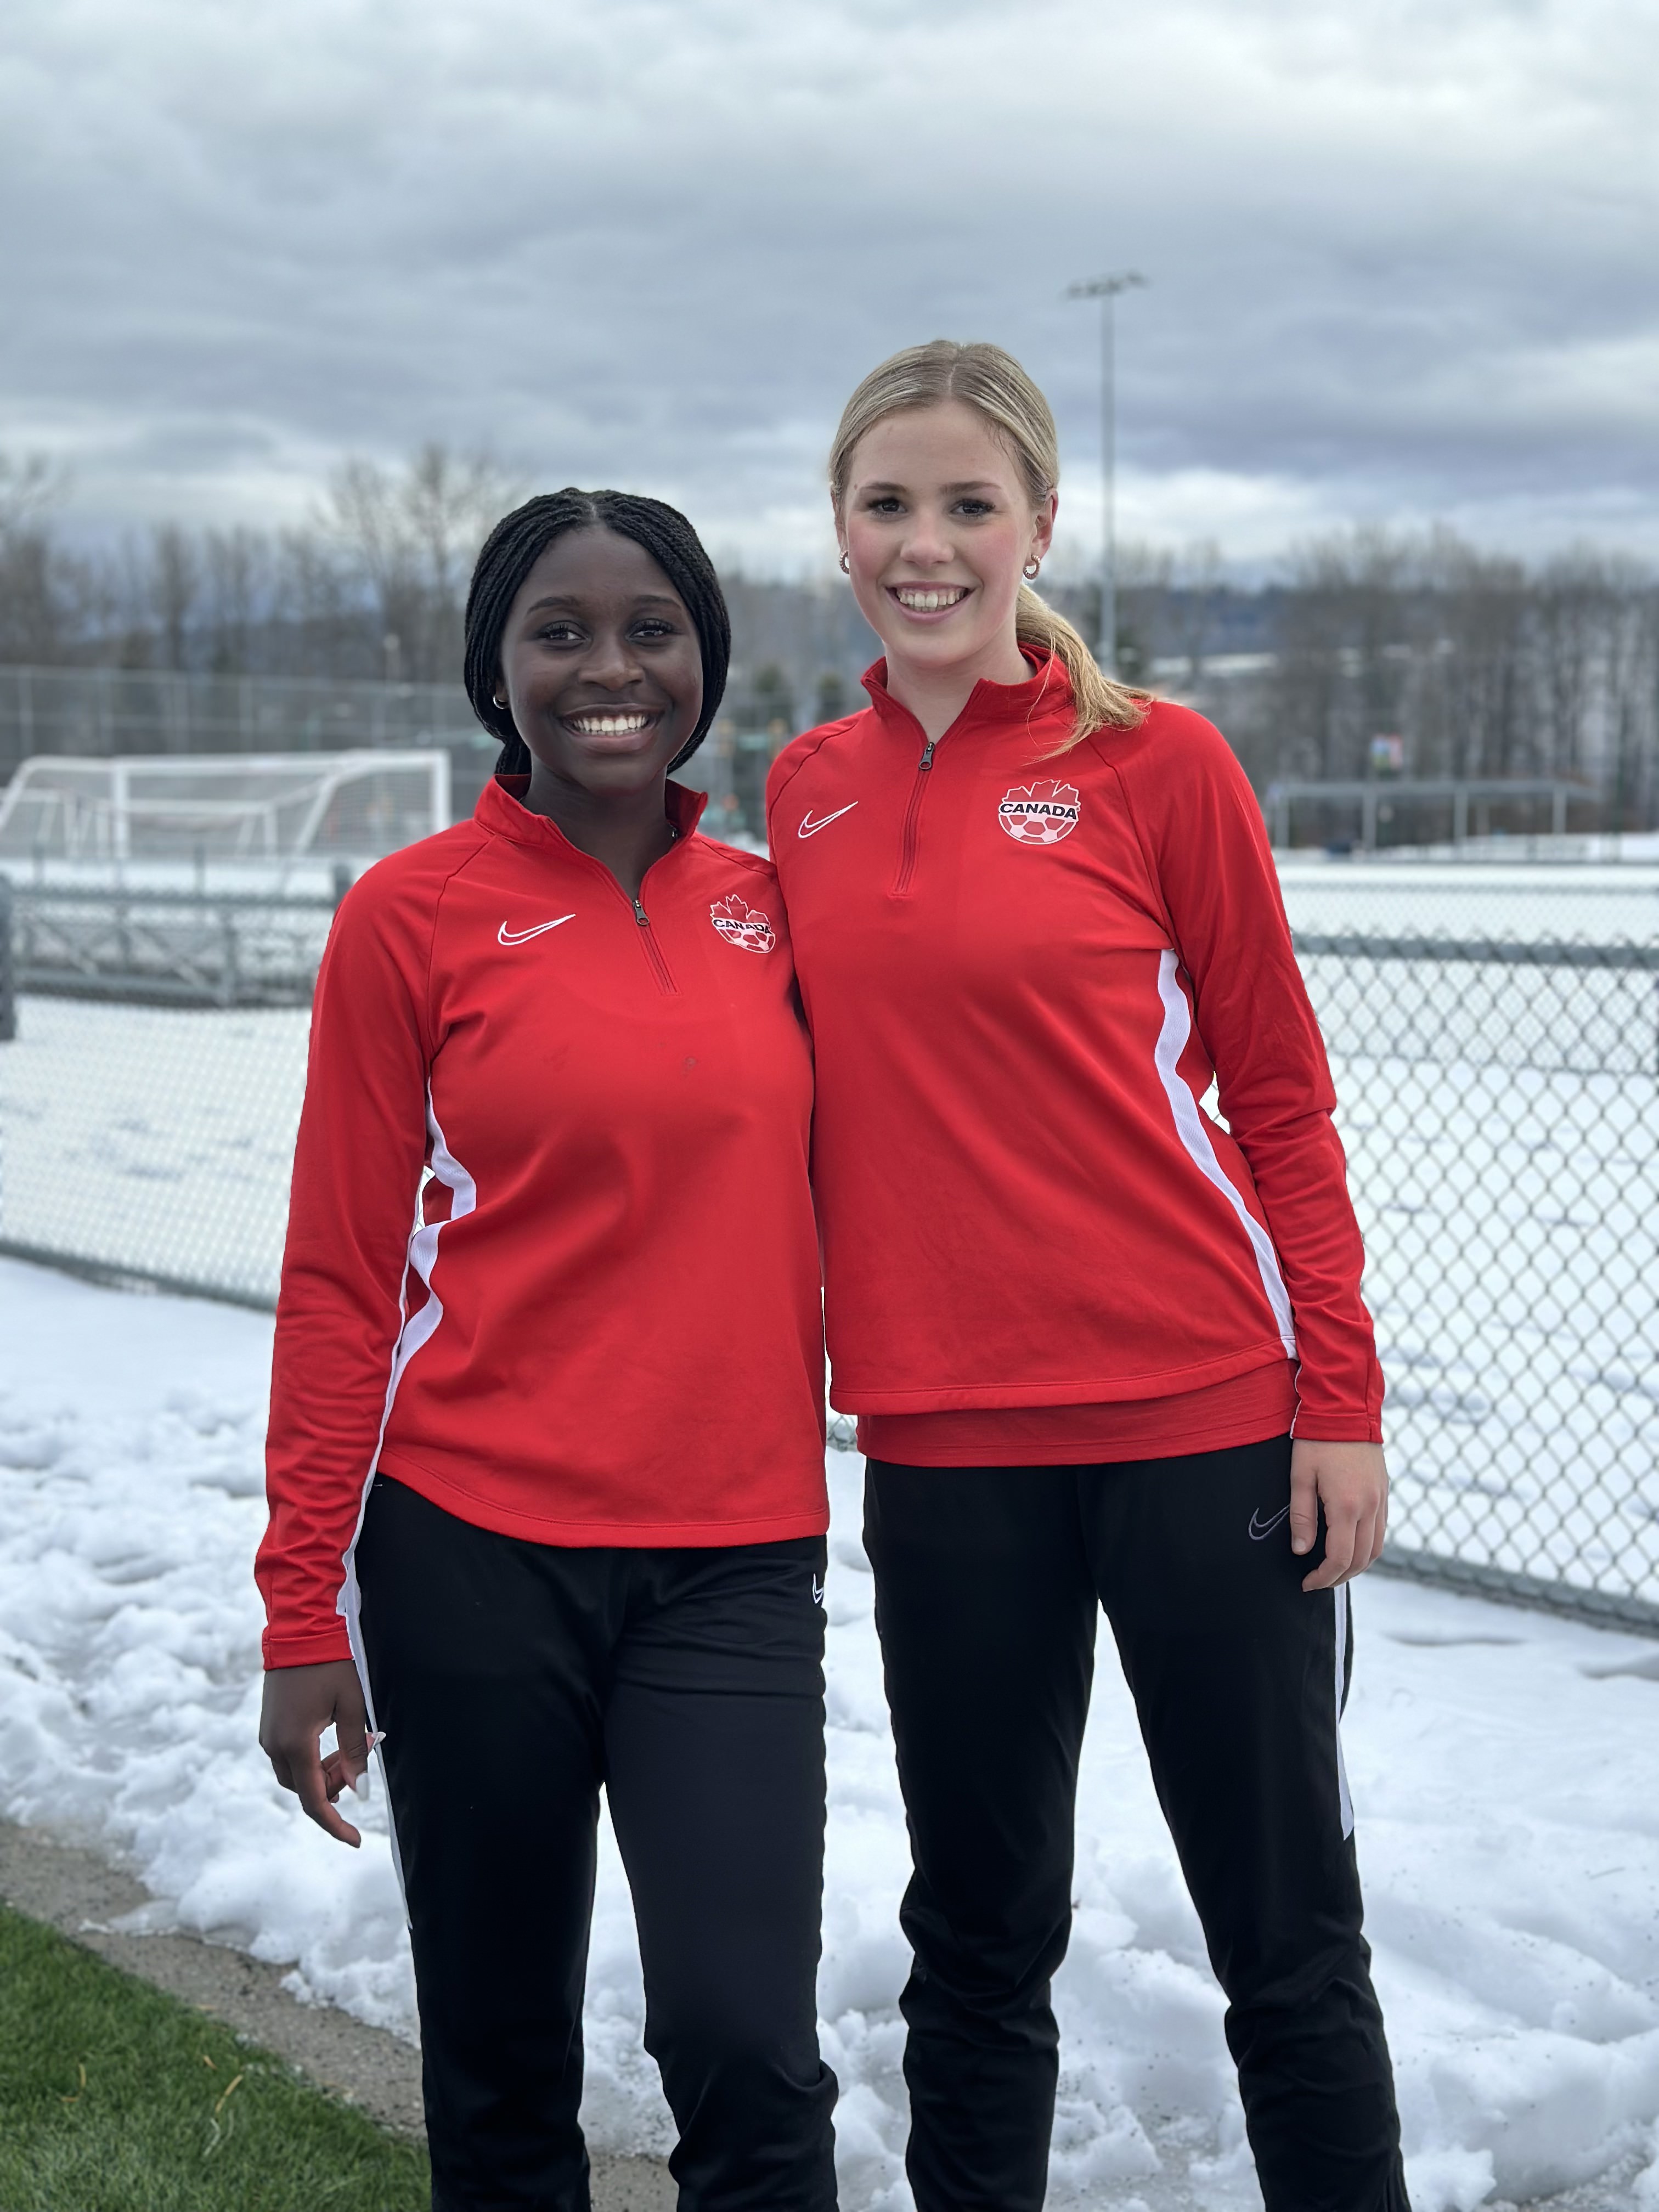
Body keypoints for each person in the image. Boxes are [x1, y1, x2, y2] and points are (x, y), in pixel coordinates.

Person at [766, 341, 1409, 2212]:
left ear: (1040, 525)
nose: (928, 544)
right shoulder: (802, 795)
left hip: (1203, 1431)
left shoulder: (1158, 765)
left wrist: (1341, 1399)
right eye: (890, 503)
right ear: (839, 530)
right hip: (949, 1455)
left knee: (1286, 1938)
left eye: (970, 504)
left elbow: (1279, 1098)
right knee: (976, 1942)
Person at [257, 489, 838, 2212]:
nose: (610, 669)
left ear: (704, 659)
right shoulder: (410, 916)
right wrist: (302, 1610)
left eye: (652, 629)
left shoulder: (778, 913)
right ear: (494, 667)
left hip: (732, 1562)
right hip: (471, 1556)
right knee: (501, 2067)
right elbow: (342, 1280)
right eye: (559, 632)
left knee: (748, 2044)